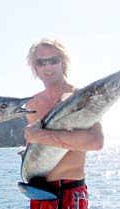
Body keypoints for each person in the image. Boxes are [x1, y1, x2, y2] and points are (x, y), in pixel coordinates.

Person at [23, 37, 104, 209]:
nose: (48, 67)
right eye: (41, 62)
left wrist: (43, 136)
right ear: (35, 67)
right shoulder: (32, 105)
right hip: (40, 194)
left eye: (53, 60)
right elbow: (32, 150)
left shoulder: (83, 98)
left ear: (63, 62)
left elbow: (96, 142)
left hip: (71, 191)